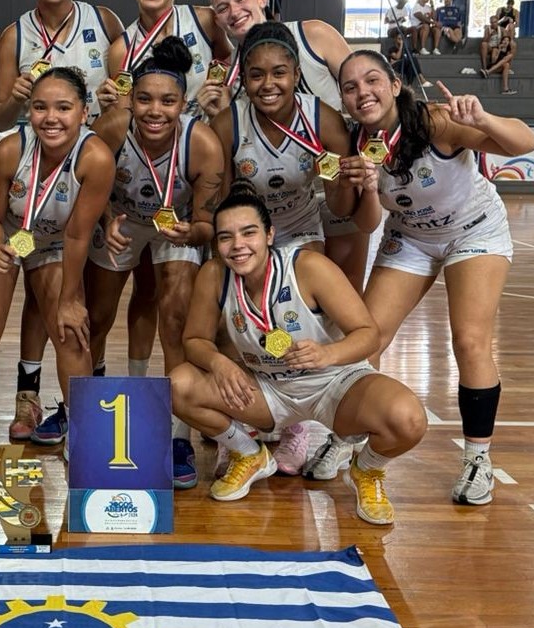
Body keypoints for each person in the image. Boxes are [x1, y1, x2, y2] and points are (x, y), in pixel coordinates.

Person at [338, 51, 534, 506]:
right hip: (409, 237)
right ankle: (353, 438)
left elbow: (524, 143)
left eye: (371, 80)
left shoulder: (434, 122)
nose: (362, 92)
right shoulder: (352, 141)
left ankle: (477, 459)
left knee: (469, 340)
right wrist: (367, 187)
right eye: (350, 87)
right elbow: (368, 226)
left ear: (393, 85)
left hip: (473, 229)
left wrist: (484, 119)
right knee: (365, 338)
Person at [170, 188, 427, 525]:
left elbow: (368, 333)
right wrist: (218, 362)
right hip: (267, 388)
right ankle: (248, 454)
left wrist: (327, 353)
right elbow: (194, 340)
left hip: (333, 383)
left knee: (408, 419)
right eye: (225, 237)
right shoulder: (215, 275)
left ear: (269, 234)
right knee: (178, 384)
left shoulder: (308, 267)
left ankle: (367, 470)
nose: (238, 245)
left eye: (249, 233)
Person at [213, 21, 381, 477]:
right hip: (244, 239)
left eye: (279, 73)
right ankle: (249, 424)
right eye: (256, 74)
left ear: (295, 73)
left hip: (299, 233)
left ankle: (297, 425)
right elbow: (224, 203)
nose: (268, 84)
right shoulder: (228, 122)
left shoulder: (321, 118)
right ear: (243, 77)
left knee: (296, 325)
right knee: (232, 328)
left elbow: (343, 206)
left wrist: (348, 180)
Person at [0, 0, 122, 447]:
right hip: (29, 169)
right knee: (46, 292)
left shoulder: (104, 22)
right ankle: (28, 392)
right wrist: (14, 100)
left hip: (90, 171)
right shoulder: (13, 34)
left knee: (79, 295)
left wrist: (116, 101)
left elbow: (125, 98)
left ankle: (89, 397)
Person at [89, 0, 230, 418]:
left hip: (184, 183)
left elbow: (232, 60)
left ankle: (170, 415)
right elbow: (110, 128)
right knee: (101, 308)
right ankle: (99, 401)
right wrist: (104, 105)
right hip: (131, 193)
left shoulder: (206, 20)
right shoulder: (120, 48)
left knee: (170, 305)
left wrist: (222, 94)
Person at [0, 66, 116, 477]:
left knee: (71, 330)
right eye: (40, 107)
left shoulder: (96, 158)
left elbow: (78, 235)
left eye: (63, 107)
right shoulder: (9, 149)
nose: (51, 118)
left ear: (84, 111)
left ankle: (83, 434)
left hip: (57, 241)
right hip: (8, 232)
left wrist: (70, 298)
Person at [88, 37, 224, 487]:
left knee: (177, 311)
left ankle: (178, 430)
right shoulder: (110, 128)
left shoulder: (201, 144)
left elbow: (207, 225)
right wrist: (105, 219)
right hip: (124, 219)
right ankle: (94, 415)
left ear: (184, 104)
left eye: (168, 101)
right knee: (97, 316)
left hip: (176, 224)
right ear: (131, 99)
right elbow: (91, 186)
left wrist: (192, 232)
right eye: (144, 99)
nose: (155, 111)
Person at [200, 0, 372, 294]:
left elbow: (362, 87)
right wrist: (220, 113)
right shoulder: (230, 79)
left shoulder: (313, 34)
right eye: (223, 8)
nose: (234, 11)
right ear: (217, 20)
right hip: (280, 202)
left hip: (334, 181)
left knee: (341, 297)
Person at [479, 17, 517, 95]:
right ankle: (486, 69)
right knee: (507, 59)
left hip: (500, 64)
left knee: (506, 63)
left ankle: (506, 89)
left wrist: (504, 45)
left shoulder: (502, 31)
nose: (493, 24)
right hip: (493, 53)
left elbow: (508, 37)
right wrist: (499, 48)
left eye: (495, 22)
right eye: (492, 22)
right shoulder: (496, 48)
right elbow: (493, 60)